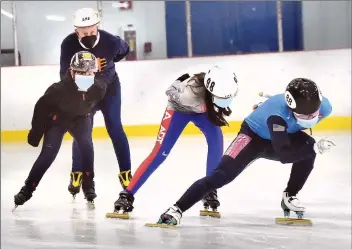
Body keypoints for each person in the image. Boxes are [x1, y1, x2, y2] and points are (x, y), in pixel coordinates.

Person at [154, 78, 335, 226]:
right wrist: (313, 148)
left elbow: (298, 133)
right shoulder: (276, 116)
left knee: (308, 148)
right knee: (221, 176)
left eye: (314, 114)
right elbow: (285, 154)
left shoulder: (324, 107)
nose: (311, 118)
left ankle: (290, 195)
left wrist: (309, 146)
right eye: (304, 116)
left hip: (282, 132)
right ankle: (176, 209)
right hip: (253, 137)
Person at [111, 66, 239, 217]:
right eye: (221, 98)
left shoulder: (220, 89)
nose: (225, 101)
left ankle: (209, 189)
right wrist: (178, 81)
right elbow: (169, 92)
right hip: (179, 110)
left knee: (217, 143)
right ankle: (127, 194)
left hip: (202, 110)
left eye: (227, 98)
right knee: (160, 153)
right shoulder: (189, 96)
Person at [13, 51, 108, 208]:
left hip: (81, 119)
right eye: (81, 72)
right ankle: (27, 188)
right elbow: (40, 109)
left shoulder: (98, 88)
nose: (86, 76)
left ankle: (89, 184)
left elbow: (93, 103)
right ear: (72, 71)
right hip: (58, 120)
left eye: (89, 72)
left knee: (86, 146)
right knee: (48, 154)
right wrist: (35, 134)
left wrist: (87, 112)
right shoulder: (57, 90)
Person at [59, 8, 132, 198]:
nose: (89, 36)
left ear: (97, 27)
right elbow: (63, 75)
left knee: (115, 127)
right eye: (84, 34)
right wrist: (78, 71)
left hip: (109, 89)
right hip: (85, 91)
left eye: (92, 32)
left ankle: (126, 174)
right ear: (77, 31)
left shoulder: (111, 41)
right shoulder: (68, 44)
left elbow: (125, 50)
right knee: (83, 132)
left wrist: (107, 65)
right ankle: (78, 174)